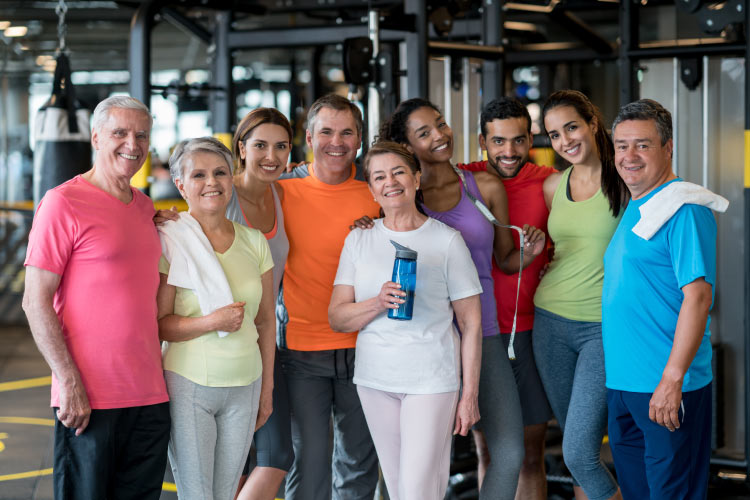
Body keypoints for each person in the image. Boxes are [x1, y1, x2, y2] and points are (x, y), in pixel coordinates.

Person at [379, 98, 545, 500]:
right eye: (424, 132)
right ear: (406, 144)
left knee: (508, 451)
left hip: (482, 332)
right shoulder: (396, 194)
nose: (439, 135)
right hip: (422, 339)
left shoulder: (482, 186)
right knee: (409, 461)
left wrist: (528, 253)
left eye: (440, 124)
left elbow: (504, 260)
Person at [22, 95, 170, 500]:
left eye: (142, 134)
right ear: (96, 137)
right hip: (89, 396)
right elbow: (35, 301)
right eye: (120, 133)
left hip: (150, 394)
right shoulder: (62, 202)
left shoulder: (144, 207)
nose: (132, 144)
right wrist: (68, 381)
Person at [328, 141, 482, 499]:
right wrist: (377, 302)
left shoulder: (446, 241)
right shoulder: (358, 239)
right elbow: (338, 317)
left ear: (415, 178)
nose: (390, 182)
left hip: (431, 381)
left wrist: (469, 395)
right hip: (374, 380)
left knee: (415, 492)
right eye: (379, 176)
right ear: (371, 189)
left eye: (398, 172)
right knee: (399, 490)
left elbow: (471, 324)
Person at [603, 99, 725, 499]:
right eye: (621, 145)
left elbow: (699, 297)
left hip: (667, 386)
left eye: (642, 144)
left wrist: (671, 379)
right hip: (626, 385)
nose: (629, 156)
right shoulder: (639, 207)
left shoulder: (684, 209)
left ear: (667, 148)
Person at [156, 137, 276, 500]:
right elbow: (160, 324)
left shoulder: (254, 241)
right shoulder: (170, 240)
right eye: (199, 175)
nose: (212, 182)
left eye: (220, 173)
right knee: (198, 495)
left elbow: (267, 321)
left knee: (226, 494)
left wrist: (266, 390)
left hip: (246, 384)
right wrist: (212, 322)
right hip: (190, 385)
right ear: (181, 185)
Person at [278, 94, 380, 500]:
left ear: (359, 139)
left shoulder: (378, 188)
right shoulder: (282, 189)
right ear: (308, 137)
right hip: (303, 351)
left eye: (346, 132)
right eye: (326, 132)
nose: (335, 142)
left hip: (368, 346)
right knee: (309, 465)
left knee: (358, 464)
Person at [458, 97, 554, 500]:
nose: (509, 152)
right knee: (491, 455)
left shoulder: (550, 181)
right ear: (483, 140)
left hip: (530, 331)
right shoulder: (461, 179)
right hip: (478, 334)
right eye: (499, 141)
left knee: (531, 457)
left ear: (530, 138)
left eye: (518, 140)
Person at [532, 90, 626, 500]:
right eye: (554, 135)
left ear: (592, 122)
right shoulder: (554, 185)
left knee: (578, 453)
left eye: (571, 127)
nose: (565, 140)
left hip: (602, 329)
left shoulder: (625, 179)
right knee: (576, 450)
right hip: (549, 322)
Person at [226, 108, 294, 500]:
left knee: (275, 454)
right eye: (261, 145)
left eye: (281, 146)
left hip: (267, 338)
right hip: (223, 341)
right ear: (241, 148)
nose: (272, 156)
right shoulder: (222, 193)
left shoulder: (283, 191)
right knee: (235, 461)